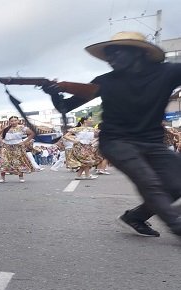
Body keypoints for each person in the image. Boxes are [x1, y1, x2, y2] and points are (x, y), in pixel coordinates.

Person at [45, 31, 181, 237]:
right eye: (108, 55)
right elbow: (65, 106)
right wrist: (54, 93)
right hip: (116, 141)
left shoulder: (168, 72)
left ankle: (135, 217)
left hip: (153, 142)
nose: (110, 59)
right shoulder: (104, 81)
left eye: (116, 53)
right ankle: (176, 225)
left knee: (176, 184)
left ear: (139, 53)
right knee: (149, 181)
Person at [0, 116, 35, 183]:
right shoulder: (6, 128)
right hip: (6, 146)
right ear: (9, 122)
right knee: (4, 161)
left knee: (18, 161)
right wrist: (0, 140)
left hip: (17, 146)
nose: (13, 122)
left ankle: (21, 177)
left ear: (18, 121)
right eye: (12, 121)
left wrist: (24, 142)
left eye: (15, 120)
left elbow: (32, 134)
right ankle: (2, 178)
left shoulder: (22, 127)